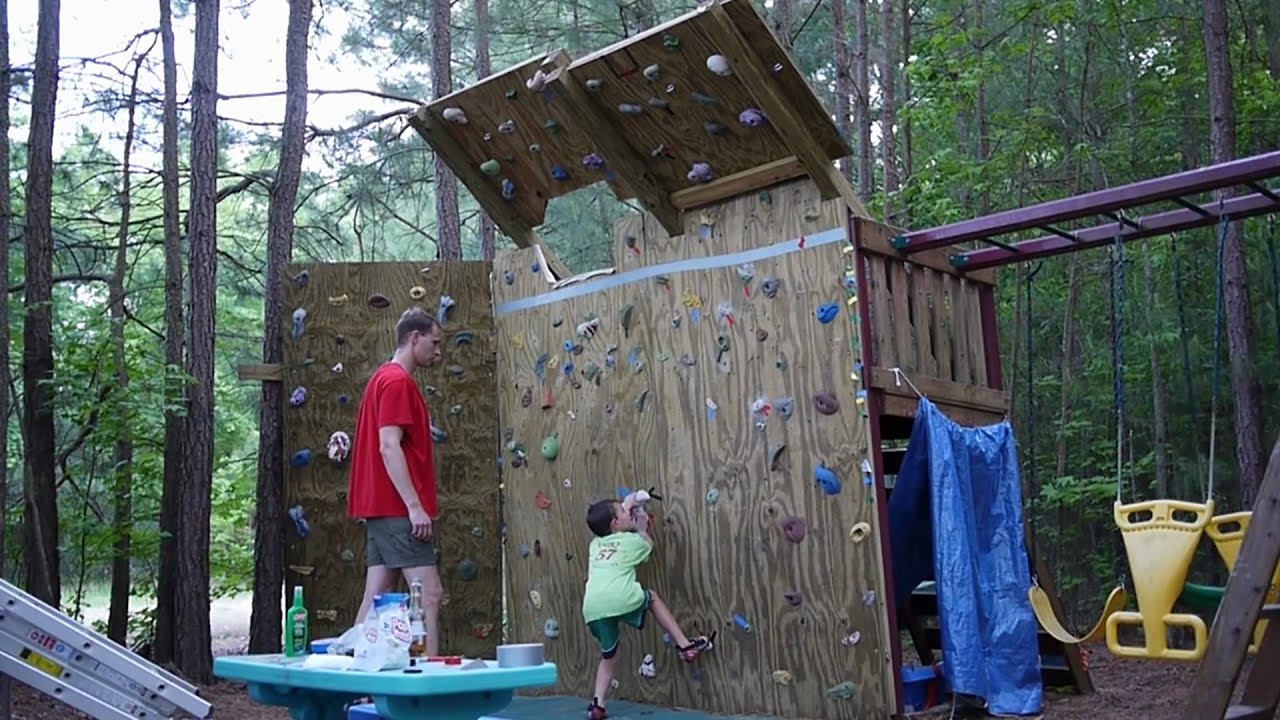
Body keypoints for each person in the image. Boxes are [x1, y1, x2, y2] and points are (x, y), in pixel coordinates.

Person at [347, 306, 445, 655]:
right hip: (398, 509)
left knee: (376, 598)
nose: (438, 352)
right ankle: (429, 691)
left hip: (382, 509)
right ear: (413, 338)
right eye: (434, 343)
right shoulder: (396, 382)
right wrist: (415, 507)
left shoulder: (381, 379)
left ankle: (349, 681)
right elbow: (389, 446)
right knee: (429, 594)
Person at [581, 494, 713, 720]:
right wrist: (641, 528)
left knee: (609, 657)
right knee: (651, 598)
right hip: (621, 597)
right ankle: (685, 645)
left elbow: (614, 521)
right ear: (615, 524)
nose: (627, 513)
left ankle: (598, 704)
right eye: (623, 513)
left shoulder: (595, 545)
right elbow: (647, 546)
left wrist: (629, 505)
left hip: (593, 608)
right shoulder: (631, 542)